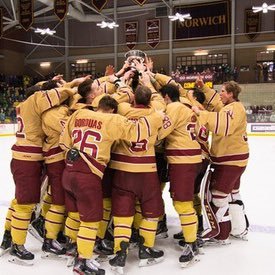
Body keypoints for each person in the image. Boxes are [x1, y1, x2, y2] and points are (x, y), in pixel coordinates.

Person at [60, 96, 164, 275]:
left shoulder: (79, 114)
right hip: (89, 174)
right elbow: (136, 133)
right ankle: (82, 261)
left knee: (75, 214)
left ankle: (73, 249)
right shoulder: (112, 119)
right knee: (90, 221)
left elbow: (64, 142)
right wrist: (157, 116)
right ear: (112, 110)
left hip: (69, 171)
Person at [2, 76, 87, 265]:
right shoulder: (36, 100)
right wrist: (75, 87)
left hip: (27, 157)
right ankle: (17, 245)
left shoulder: (28, 104)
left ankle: (9, 236)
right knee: (25, 204)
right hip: (28, 159)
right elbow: (59, 93)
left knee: (21, 201)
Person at [108, 83, 165, 272]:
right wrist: (148, 77)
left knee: (122, 212)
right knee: (151, 210)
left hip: (123, 169)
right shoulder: (155, 113)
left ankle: (120, 252)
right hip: (147, 170)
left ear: (133, 99)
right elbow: (159, 105)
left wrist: (124, 86)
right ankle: (145, 248)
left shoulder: (123, 110)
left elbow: (115, 101)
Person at [193, 78, 249, 244]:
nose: (220, 94)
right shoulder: (228, 107)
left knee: (218, 197)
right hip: (235, 159)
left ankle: (221, 235)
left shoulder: (234, 108)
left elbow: (224, 125)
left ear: (231, 94)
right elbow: (216, 102)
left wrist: (199, 113)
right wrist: (203, 87)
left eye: (223, 91)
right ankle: (239, 229)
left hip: (229, 161)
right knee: (233, 194)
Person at [158, 84, 202, 268]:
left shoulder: (173, 108)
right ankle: (191, 234)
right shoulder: (185, 107)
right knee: (186, 200)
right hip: (192, 157)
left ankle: (192, 244)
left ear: (167, 96)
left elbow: (161, 133)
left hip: (183, 160)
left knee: (182, 203)